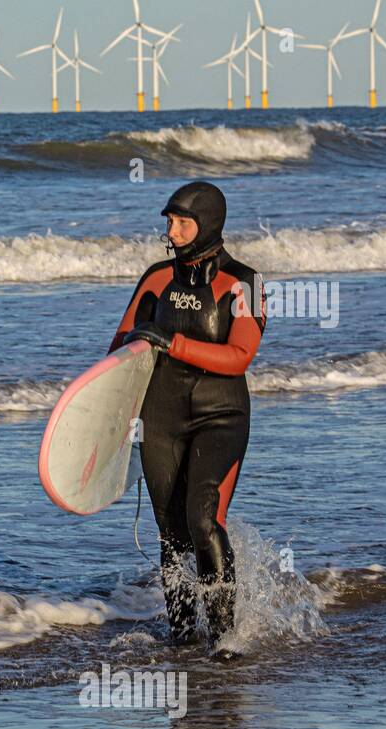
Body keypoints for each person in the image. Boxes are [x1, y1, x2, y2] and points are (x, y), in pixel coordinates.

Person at [107, 182, 265, 657]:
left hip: (221, 416)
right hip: (162, 415)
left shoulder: (247, 283)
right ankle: (182, 636)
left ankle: (224, 640)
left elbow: (239, 356)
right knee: (171, 530)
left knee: (202, 519)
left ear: (208, 225)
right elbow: (117, 351)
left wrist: (170, 343)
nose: (171, 232)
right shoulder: (155, 278)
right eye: (168, 222)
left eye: (181, 223)